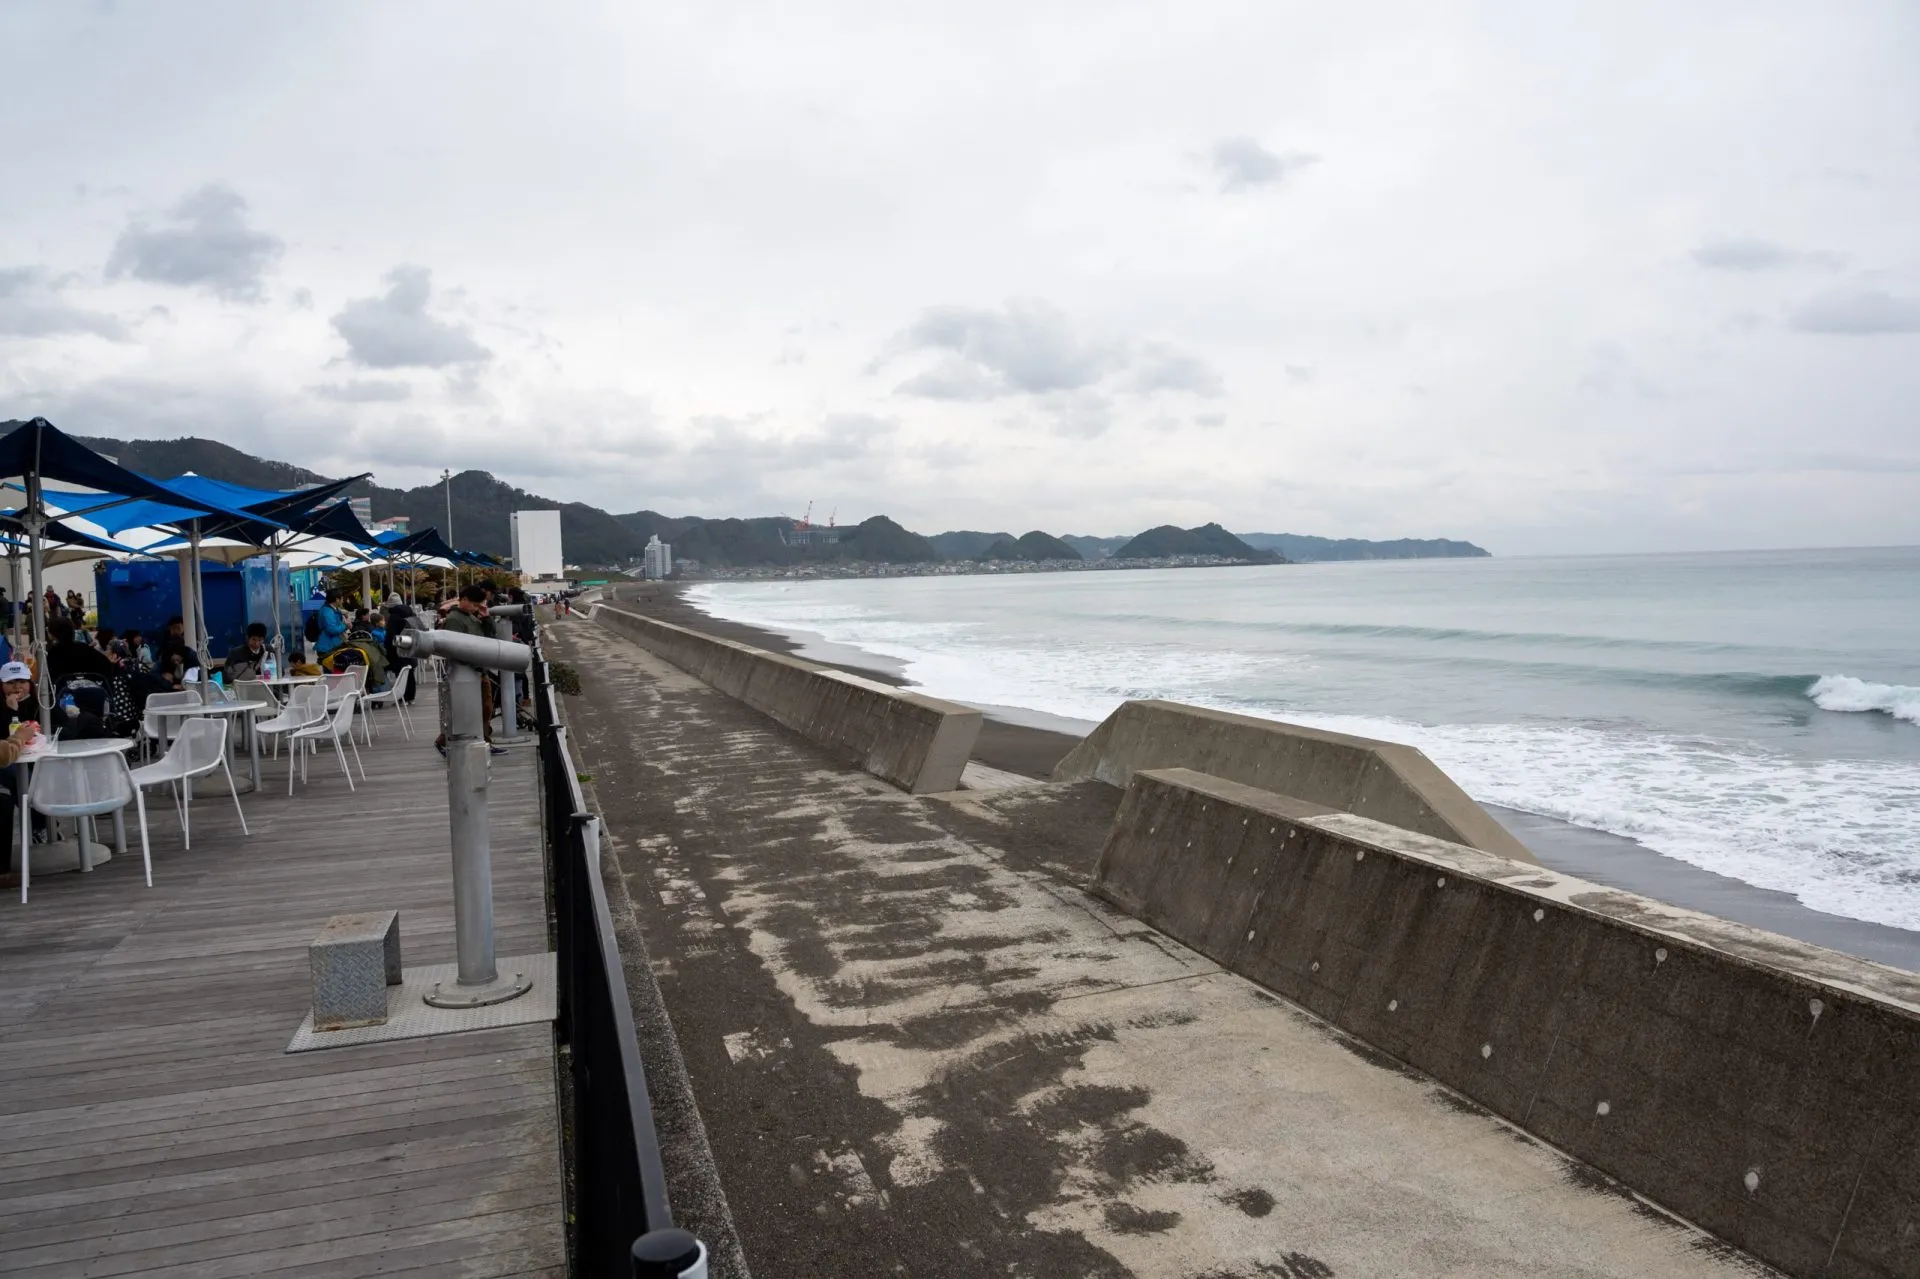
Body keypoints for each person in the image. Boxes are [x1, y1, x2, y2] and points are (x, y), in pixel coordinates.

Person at [435, 584, 505, 756]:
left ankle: (484, 742)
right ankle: (444, 741)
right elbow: (455, 648)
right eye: (474, 604)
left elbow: (488, 637)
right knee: (463, 710)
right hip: (465, 672)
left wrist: (486, 618)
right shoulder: (455, 619)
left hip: (478, 671)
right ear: (464, 600)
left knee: (486, 708)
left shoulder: (472, 617)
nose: (477, 608)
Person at [45, 619, 116, 684]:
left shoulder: (53, 654)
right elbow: (106, 667)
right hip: (92, 692)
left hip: (64, 695)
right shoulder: (85, 648)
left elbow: (49, 678)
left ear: (53, 634)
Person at [157, 616, 199, 690]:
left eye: (178, 628)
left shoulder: (191, 643)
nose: (176, 631)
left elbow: (195, 668)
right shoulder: (166, 644)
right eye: (174, 628)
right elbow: (160, 658)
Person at [315, 590, 347, 655]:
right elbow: (332, 629)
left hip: (333, 645)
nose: (343, 600)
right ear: (337, 599)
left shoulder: (333, 610)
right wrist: (345, 625)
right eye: (342, 598)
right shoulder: (327, 612)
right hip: (327, 647)